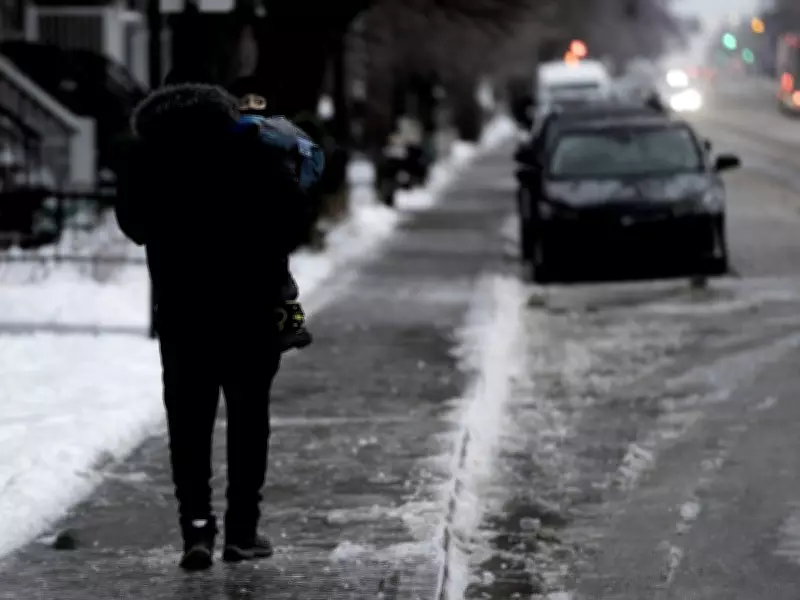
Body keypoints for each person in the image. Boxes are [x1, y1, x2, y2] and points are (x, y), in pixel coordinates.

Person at [114, 82, 315, 571]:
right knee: (249, 421)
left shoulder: (150, 155)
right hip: (251, 307)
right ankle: (242, 533)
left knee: (188, 423)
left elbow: (133, 224)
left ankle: (197, 531)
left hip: (183, 312)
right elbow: (294, 224)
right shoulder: (256, 149)